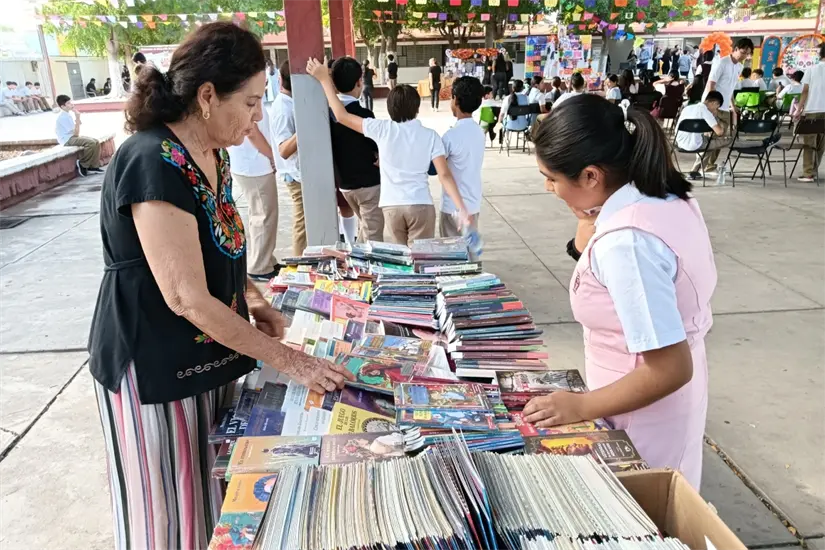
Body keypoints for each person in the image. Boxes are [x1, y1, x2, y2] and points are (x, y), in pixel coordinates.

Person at [89, 24, 354, 550]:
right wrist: (291, 360)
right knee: (164, 518)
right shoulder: (151, 158)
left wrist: (254, 298)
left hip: (212, 355)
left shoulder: (214, 153)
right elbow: (184, 294)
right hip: (155, 364)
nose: (258, 117)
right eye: (251, 103)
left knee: (214, 503)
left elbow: (222, 244)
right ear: (207, 96)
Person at [526, 93, 717, 491]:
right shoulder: (661, 196)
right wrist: (586, 228)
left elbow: (670, 368)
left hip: (639, 414)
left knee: (643, 511)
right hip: (644, 400)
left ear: (591, 176)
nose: (549, 188)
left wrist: (578, 406)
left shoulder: (627, 243)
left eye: (552, 178)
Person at [307, 57, 470, 245]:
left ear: (390, 108)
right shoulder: (431, 136)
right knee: (419, 259)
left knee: (399, 261)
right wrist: (461, 207)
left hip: (391, 206)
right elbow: (444, 175)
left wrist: (324, 81)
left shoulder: (382, 129)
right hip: (420, 205)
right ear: (417, 109)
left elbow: (342, 116)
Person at [329, 57, 383, 242]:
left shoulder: (326, 115)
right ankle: (364, 269)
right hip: (368, 185)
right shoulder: (366, 115)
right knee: (373, 238)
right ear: (359, 82)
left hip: (345, 185)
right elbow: (375, 146)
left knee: (365, 230)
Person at [227, 100, 281, 280]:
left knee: (259, 215)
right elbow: (253, 133)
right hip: (255, 165)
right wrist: (273, 156)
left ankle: (265, 259)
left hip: (249, 164)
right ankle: (260, 266)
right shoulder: (247, 98)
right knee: (264, 216)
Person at [269, 60, 306, 257]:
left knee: (307, 223)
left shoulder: (292, 103)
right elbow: (284, 149)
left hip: (300, 172)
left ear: (280, 79)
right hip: (295, 174)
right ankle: (299, 264)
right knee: (302, 224)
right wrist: (306, 125)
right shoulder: (283, 108)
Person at [440, 77, 485, 238]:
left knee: (452, 257)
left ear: (455, 100)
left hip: (453, 207)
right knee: (470, 253)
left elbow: (435, 168)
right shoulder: (479, 131)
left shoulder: (451, 136)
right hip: (473, 203)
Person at [701, 37, 754, 171]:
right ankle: (701, 165)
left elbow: (730, 87)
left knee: (722, 136)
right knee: (710, 136)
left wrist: (733, 105)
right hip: (712, 106)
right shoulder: (721, 63)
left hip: (725, 107)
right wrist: (711, 105)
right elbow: (711, 84)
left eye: (748, 53)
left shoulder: (740, 66)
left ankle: (710, 164)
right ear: (735, 49)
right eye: (743, 52)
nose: (745, 56)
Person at [677, 91, 732, 179]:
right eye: (716, 107)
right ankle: (694, 172)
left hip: (679, 143)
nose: (715, 110)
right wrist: (715, 117)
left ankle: (695, 171)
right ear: (714, 103)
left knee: (708, 141)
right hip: (695, 144)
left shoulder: (687, 108)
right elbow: (720, 132)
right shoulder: (706, 111)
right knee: (729, 141)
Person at [797, 42, 825, 183]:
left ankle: (808, 173)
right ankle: (814, 170)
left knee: (809, 143)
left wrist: (799, 109)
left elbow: (805, 91)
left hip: (813, 110)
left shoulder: (812, 69)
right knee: (821, 144)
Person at [55, 95, 103, 176]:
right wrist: (77, 117)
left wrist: (77, 118)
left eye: (71, 102)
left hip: (72, 137)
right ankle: (83, 164)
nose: (71, 104)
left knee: (96, 142)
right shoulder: (63, 117)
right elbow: (76, 133)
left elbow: (76, 131)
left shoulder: (68, 115)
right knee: (90, 143)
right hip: (67, 140)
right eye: (68, 103)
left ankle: (93, 166)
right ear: (62, 106)